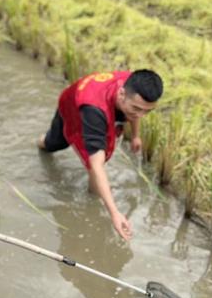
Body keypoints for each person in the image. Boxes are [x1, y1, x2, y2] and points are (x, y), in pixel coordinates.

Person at [38, 69, 163, 241]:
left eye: (146, 111)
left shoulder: (134, 85)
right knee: (55, 145)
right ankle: (42, 142)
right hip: (73, 108)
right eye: (136, 109)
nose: (140, 115)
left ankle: (93, 193)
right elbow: (96, 164)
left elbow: (136, 111)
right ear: (121, 93)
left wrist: (135, 136)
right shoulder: (93, 112)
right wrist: (114, 213)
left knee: (100, 158)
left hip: (103, 106)